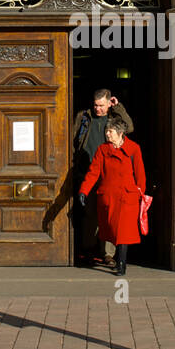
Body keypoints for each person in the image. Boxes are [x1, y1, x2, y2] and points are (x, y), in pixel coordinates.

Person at [77, 116, 145, 275]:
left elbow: (140, 174)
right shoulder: (102, 150)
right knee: (111, 231)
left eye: (111, 131)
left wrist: (141, 193)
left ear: (120, 133)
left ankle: (122, 263)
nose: (107, 134)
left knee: (123, 233)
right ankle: (116, 261)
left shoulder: (133, 149)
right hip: (108, 197)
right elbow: (94, 172)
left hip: (127, 197)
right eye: (107, 131)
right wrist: (84, 190)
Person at [72, 89, 133, 264]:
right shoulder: (83, 118)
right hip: (88, 172)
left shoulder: (114, 119)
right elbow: (73, 140)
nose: (97, 108)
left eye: (101, 105)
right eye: (95, 105)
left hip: (109, 174)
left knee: (109, 214)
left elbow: (129, 127)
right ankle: (88, 249)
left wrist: (118, 107)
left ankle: (108, 254)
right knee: (90, 213)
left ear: (108, 103)